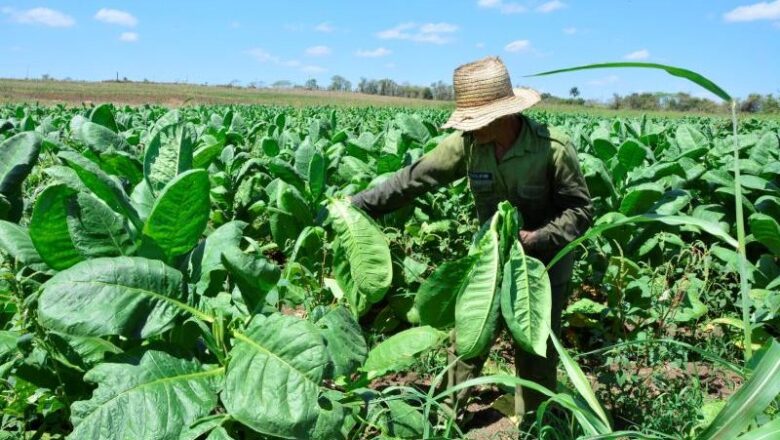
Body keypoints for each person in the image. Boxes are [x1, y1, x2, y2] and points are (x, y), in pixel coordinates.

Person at [351, 56, 593, 418]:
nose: (471, 127)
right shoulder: (467, 145)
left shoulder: (552, 149)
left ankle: (537, 423)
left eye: (478, 119)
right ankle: (441, 416)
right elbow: (415, 178)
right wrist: (359, 205)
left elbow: (580, 212)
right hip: (488, 261)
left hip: (544, 265)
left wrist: (535, 238)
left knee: (535, 348)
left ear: (505, 114)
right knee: (467, 337)